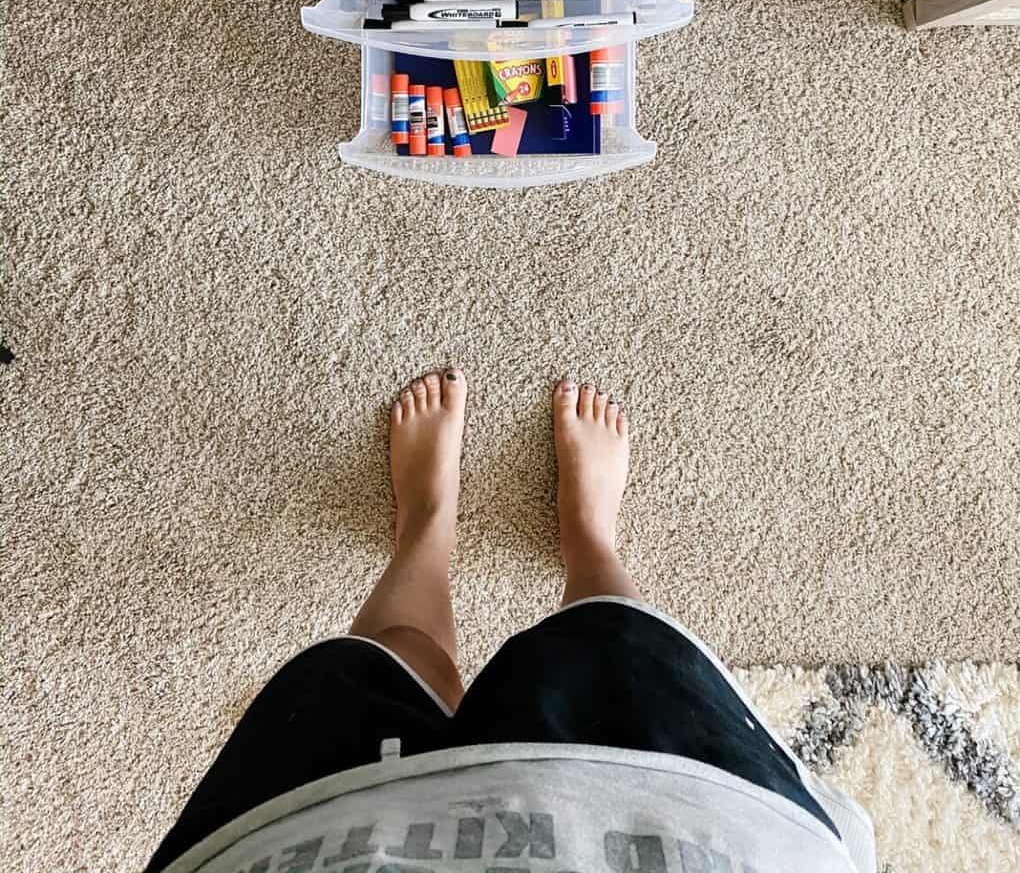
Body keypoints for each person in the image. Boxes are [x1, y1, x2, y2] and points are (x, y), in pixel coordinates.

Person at [146, 371, 874, 873]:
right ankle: (586, 535)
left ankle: (428, 528)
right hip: (697, 820)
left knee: (391, 668)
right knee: (610, 651)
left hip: (319, 838)